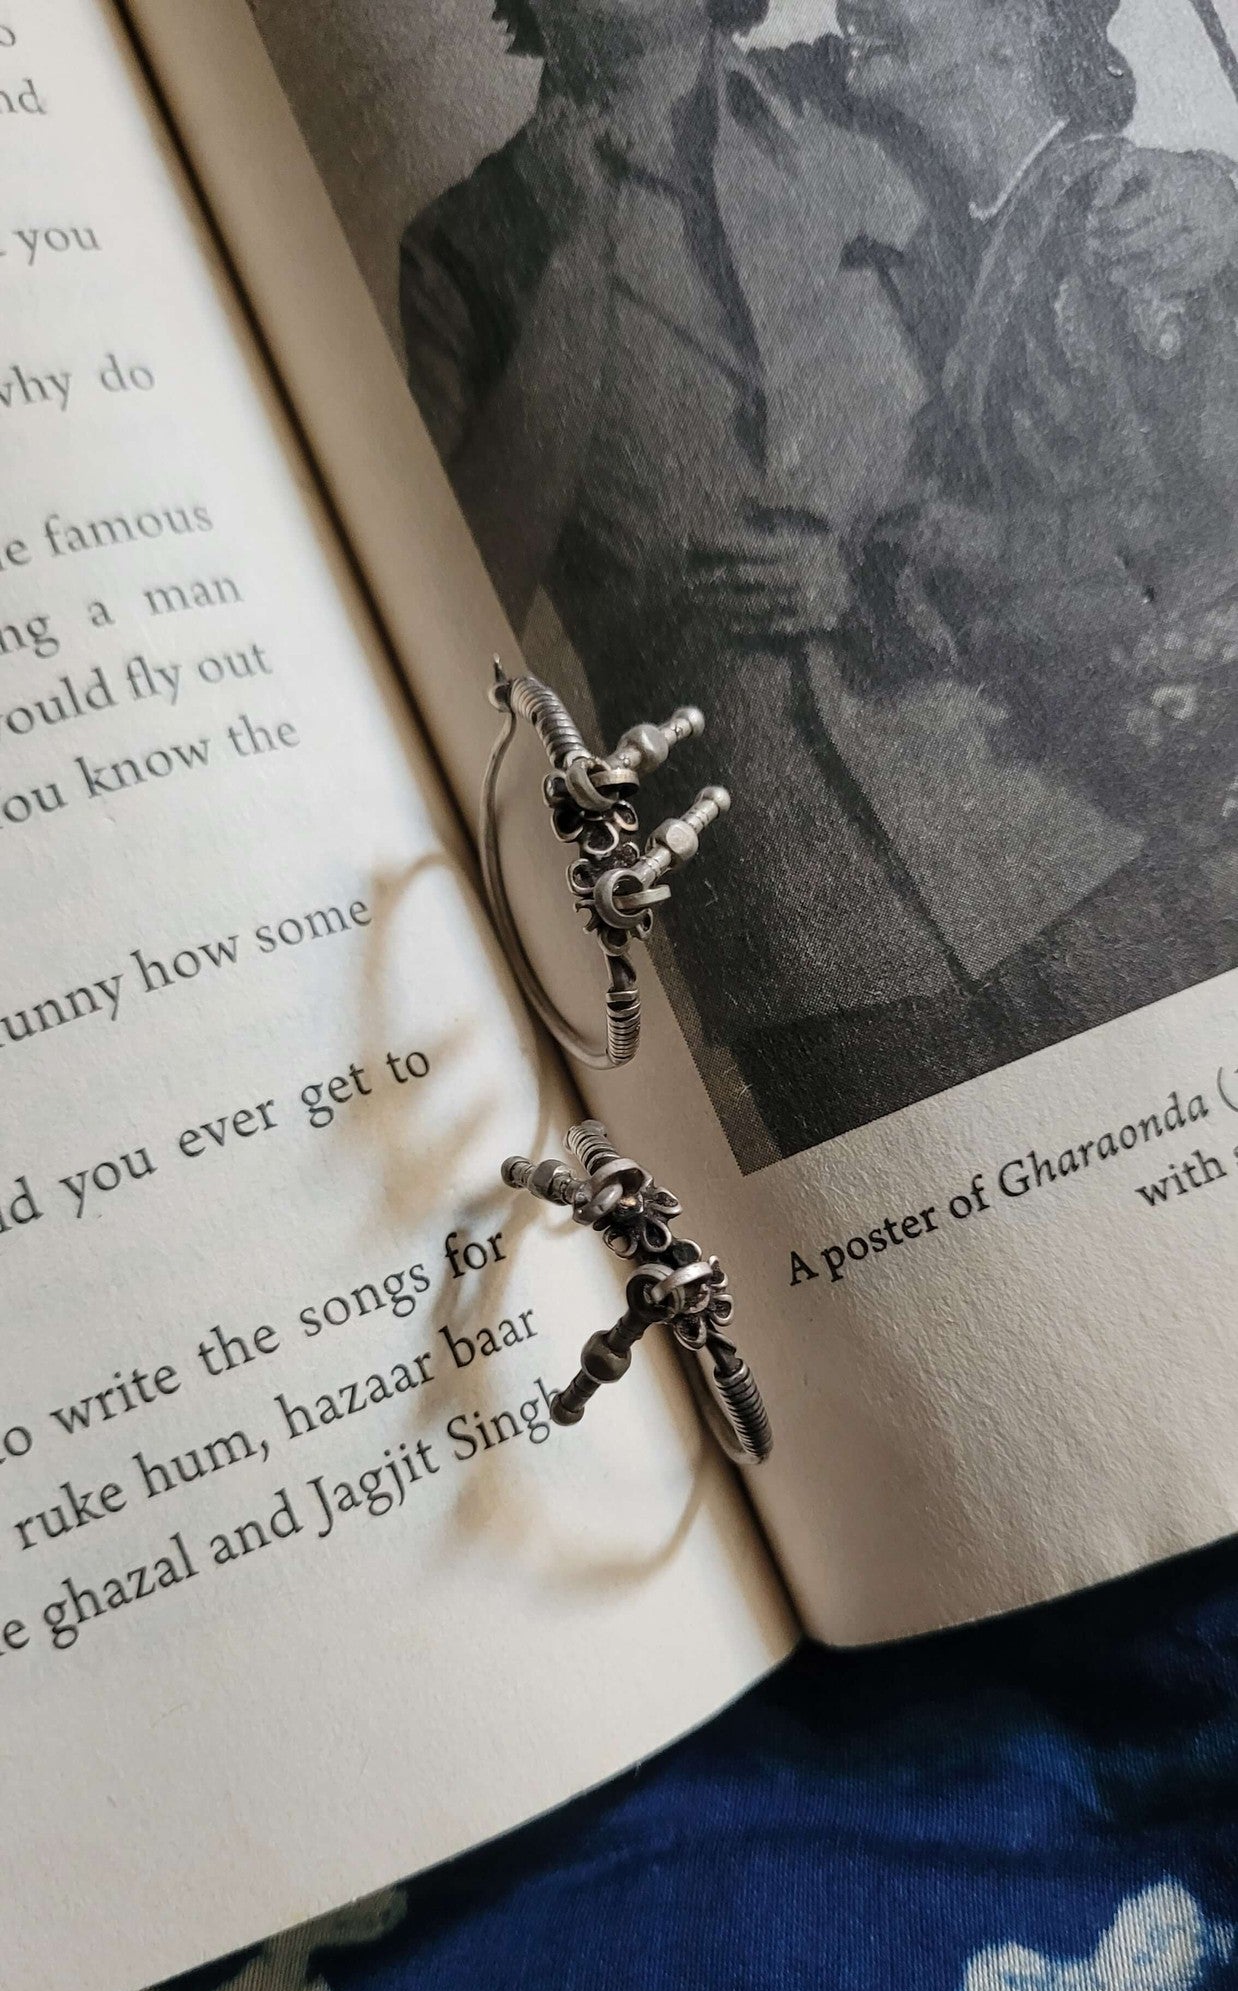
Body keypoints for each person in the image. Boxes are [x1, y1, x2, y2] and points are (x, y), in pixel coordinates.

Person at [401, 0, 1238, 1159]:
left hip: (1058, 813)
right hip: (803, 936)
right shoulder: (457, 249)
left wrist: (1214, 190)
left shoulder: (862, 90)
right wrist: (565, 263)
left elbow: (1056, 165)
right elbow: (457, 617)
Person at [847, 0, 1238, 1044]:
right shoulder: (964, 228)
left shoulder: (1124, 212)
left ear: (1017, 20)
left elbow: (1210, 518)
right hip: (1115, 801)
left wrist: (965, 549)